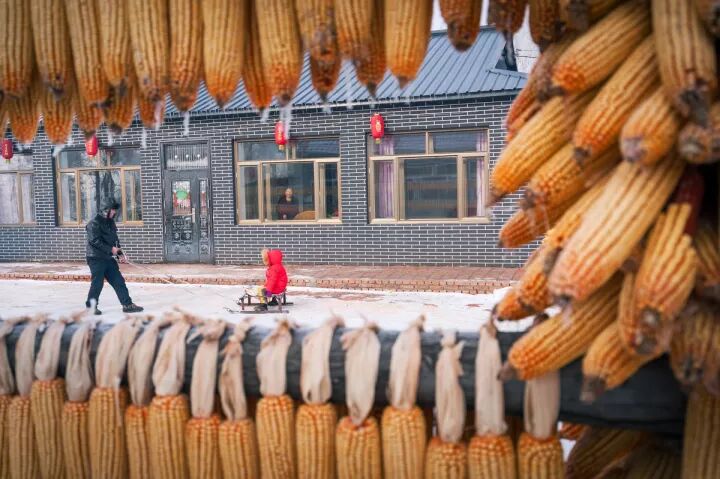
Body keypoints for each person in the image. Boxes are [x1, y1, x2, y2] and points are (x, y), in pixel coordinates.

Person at [85, 198, 144, 314]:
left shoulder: (110, 222)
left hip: (108, 258)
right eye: (112, 210)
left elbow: (115, 240)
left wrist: (120, 254)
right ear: (105, 210)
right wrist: (111, 249)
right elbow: (95, 241)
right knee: (97, 283)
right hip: (96, 258)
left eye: (114, 210)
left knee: (118, 281)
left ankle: (127, 305)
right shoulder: (93, 224)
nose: (114, 212)